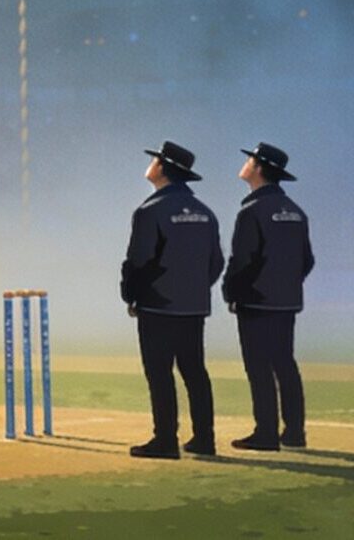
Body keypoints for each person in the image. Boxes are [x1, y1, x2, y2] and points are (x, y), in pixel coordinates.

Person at [122, 141, 223, 459]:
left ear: (163, 168)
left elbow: (138, 261)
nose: (151, 163)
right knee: (195, 371)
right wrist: (194, 288)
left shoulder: (150, 210)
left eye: (155, 160)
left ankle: (165, 439)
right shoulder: (205, 213)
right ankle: (204, 438)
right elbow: (216, 262)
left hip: (157, 305)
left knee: (160, 373)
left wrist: (132, 295)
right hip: (193, 306)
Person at [222, 142, 314, 452]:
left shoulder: (252, 211)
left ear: (259, 168)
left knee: (259, 368)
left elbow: (243, 261)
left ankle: (266, 432)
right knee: (285, 364)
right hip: (286, 300)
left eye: (250, 160)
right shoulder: (296, 212)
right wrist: (286, 283)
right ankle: (294, 431)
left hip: (257, 301)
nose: (246, 163)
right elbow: (307, 260)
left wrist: (231, 292)